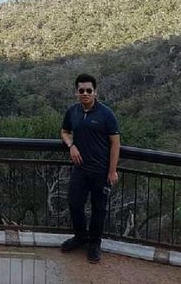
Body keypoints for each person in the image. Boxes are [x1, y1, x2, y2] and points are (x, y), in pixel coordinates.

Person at [60, 73, 120, 263]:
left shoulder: (106, 114)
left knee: (98, 208)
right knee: (74, 204)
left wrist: (112, 171)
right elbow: (64, 131)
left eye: (89, 90)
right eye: (81, 90)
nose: (85, 93)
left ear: (95, 92)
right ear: (76, 92)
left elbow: (115, 144)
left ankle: (94, 244)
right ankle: (80, 237)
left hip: (101, 171)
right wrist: (71, 145)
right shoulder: (73, 112)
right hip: (80, 169)